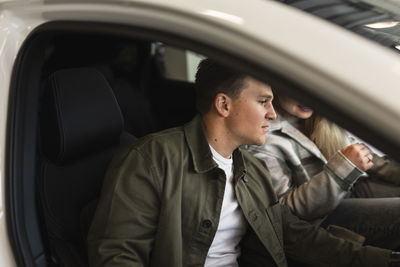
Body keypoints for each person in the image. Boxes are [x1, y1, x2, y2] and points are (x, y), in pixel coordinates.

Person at [87, 59, 399, 266]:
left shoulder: (251, 171)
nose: (273, 114)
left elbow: (296, 237)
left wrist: (385, 260)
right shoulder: (151, 159)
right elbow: (118, 257)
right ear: (223, 104)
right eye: (263, 101)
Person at [245, 93, 400, 250]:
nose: (307, 97)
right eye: (298, 88)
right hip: (319, 219)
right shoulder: (264, 138)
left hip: (347, 193)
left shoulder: (319, 117)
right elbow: (285, 212)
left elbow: (369, 158)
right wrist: (343, 168)